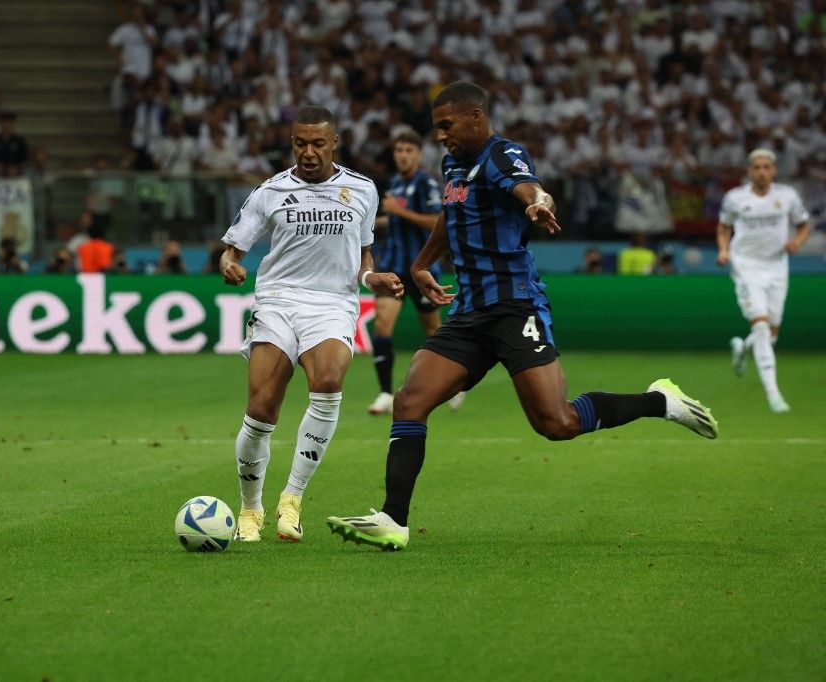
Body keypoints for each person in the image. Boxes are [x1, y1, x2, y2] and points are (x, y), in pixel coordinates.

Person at [327, 82, 718, 551]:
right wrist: (420, 264)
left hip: (516, 306)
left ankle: (660, 401)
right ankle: (394, 519)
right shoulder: (453, 164)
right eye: (436, 128)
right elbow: (451, 219)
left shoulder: (502, 154)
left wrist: (538, 203)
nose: (441, 137)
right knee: (410, 401)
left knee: (557, 423)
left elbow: (531, 188)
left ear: (476, 117)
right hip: (471, 312)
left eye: (447, 126)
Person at [219, 105, 403, 543]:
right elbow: (232, 249)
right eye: (300, 143)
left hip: (333, 302)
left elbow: (363, 256)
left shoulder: (362, 189)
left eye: (317, 143)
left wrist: (371, 278)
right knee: (262, 409)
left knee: (328, 380)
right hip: (279, 299)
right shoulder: (270, 191)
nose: (308, 152)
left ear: (334, 142)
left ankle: (292, 499)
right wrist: (229, 264)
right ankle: (250, 508)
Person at [368, 130, 467, 415]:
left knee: (433, 330)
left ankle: (455, 382)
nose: (402, 155)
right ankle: (386, 392)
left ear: (418, 154)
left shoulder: (426, 183)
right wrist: (374, 221)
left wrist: (398, 213)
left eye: (408, 150)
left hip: (422, 269)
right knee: (383, 325)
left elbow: (437, 221)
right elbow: (395, 217)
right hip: (393, 268)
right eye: (398, 150)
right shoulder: (396, 184)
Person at [717, 148, 811, 413]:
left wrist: (797, 242)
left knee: (771, 333)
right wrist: (724, 251)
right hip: (746, 266)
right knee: (761, 326)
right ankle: (774, 395)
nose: (761, 171)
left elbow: (803, 224)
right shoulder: (735, 198)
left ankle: (742, 348)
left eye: (765, 167)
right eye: (756, 167)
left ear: (774, 170)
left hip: (777, 267)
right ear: (749, 171)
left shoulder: (787, 196)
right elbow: (723, 226)